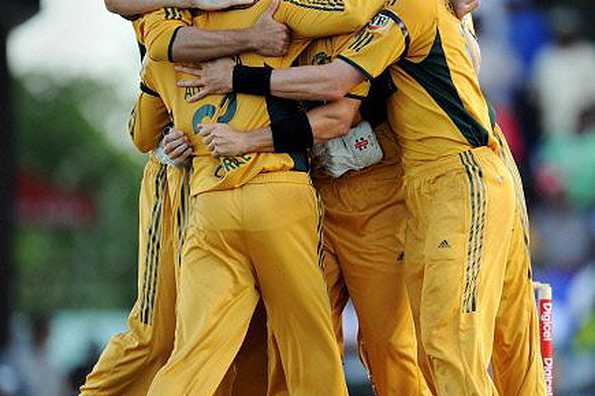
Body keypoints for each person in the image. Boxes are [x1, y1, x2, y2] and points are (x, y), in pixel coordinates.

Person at [182, 0, 548, 394]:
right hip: (330, 192)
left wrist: (240, 84)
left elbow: (338, 91)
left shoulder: (394, 9)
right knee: (307, 348)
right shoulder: (281, 18)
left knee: (425, 343)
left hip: (415, 185)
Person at [130, 1, 389, 394]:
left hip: (210, 205)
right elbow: (351, 14)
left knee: (193, 356)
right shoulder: (277, 14)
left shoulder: (168, 40)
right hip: (276, 192)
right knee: (308, 343)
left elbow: (142, 135)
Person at [80, 1, 288, 395]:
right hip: (182, 174)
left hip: (269, 175)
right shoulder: (165, 12)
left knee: (253, 334)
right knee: (158, 334)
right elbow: (144, 124)